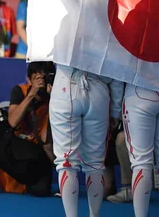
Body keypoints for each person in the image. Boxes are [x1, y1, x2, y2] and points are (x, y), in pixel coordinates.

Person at [0, 62, 55, 196]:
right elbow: (13, 121)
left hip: (38, 152)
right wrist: (31, 95)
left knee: (41, 191)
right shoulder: (20, 90)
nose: (41, 82)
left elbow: (47, 140)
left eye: (44, 78)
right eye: (36, 78)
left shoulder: (58, 98)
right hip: (15, 141)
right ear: (29, 79)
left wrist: (53, 99)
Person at [50, 65, 124, 217]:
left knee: (66, 162)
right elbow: (117, 70)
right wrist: (115, 110)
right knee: (95, 165)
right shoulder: (110, 38)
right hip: (99, 91)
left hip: (66, 84)